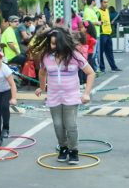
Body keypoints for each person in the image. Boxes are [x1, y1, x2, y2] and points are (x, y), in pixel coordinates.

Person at [32, 27, 95, 165]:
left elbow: (91, 73)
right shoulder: (46, 57)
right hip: (54, 96)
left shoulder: (74, 56)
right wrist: (42, 88)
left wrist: (86, 93)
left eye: (55, 43)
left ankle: (73, 151)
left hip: (71, 96)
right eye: (50, 43)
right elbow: (42, 73)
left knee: (70, 125)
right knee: (58, 125)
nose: (52, 46)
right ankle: (63, 148)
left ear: (62, 42)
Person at [98, 0, 122, 72]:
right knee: (100, 52)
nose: (106, 4)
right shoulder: (98, 12)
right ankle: (102, 68)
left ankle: (113, 67)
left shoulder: (107, 11)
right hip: (102, 34)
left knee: (110, 52)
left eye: (107, 2)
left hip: (108, 33)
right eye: (104, 2)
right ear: (101, 3)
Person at [83, 0, 101, 71]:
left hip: (96, 33)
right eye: (95, 1)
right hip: (92, 34)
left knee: (96, 53)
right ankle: (92, 69)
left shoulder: (92, 10)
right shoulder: (87, 11)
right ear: (92, 1)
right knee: (93, 53)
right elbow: (87, 23)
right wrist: (97, 23)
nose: (96, 2)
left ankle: (95, 68)